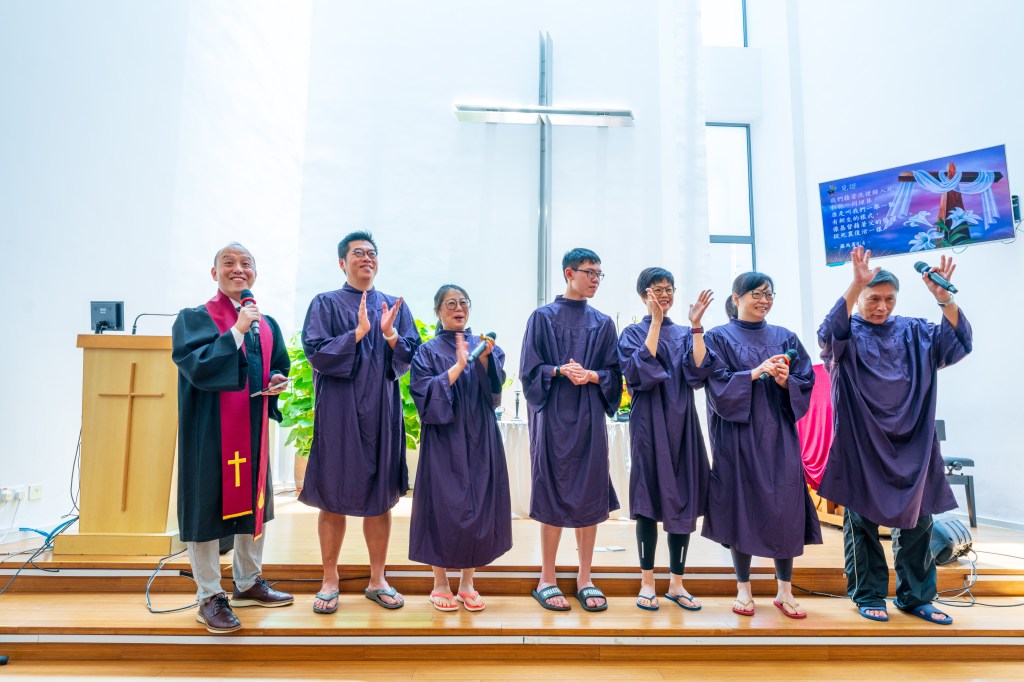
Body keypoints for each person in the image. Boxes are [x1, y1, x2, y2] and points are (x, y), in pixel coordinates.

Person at [818, 246, 972, 625]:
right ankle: (869, 593)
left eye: (889, 299)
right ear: (860, 298)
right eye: (873, 298)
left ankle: (916, 596)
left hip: (912, 443)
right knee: (862, 524)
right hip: (862, 442)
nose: (881, 306)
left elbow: (958, 342)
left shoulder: (915, 331)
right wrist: (855, 284)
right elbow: (828, 333)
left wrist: (944, 299)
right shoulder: (848, 333)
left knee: (918, 522)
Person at [172, 242, 293, 634]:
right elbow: (197, 366)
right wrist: (237, 331)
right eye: (229, 263)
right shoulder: (194, 318)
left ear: (255, 273)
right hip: (209, 432)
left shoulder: (267, 323)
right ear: (215, 273)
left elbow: (276, 366)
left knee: (253, 505)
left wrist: (276, 380)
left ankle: (247, 581)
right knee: (205, 508)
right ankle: (209, 595)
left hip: (252, 429)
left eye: (246, 263)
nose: (238, 269)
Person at [299, 231, 421, 614]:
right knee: (332, 496)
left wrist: (390, 334)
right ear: (342, 262)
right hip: (339, 411)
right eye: (358, 253)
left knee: (380, 499)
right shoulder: (325, 303)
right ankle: (329, 579)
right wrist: (357, 333)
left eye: (371, 253)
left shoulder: (394, 305)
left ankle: (377, 579)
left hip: (382, 410)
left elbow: (412, 356)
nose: (366, 259)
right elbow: (315, 351)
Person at [702, 272, 822, 619]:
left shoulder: (785, 337)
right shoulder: (717, 337)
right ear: (736, 298)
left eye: (769, 294)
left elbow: (805, 382)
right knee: (741, 506)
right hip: (737, 436)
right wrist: (755, 373)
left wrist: (785, 382)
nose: (764, 300)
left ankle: (785, 591)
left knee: (784, 507)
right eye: (756, 294)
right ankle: (744, 588)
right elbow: (716, 386)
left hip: (779, 435)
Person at [520, 248, 622, 612]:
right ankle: (546, 577)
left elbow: (615, 374)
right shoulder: (542, 318)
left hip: (590, 417)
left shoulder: (603, 323)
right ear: (569, 273)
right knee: (552, 490)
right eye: (589, 272)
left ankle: (584, 578)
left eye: (599, 274)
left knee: (590, 493)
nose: (595, 279)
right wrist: (558, 370)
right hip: (552, 418)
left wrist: (592, 375)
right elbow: (529, 371)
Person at [408, 285, 513, 612]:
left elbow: (494, 395)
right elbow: (423, 395)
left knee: (478, 505)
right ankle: (440, 582)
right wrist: (456, 367)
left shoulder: (486, 346)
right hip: (444, 437)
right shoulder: (426, 352)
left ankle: (467, 582)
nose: (458, 308)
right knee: (442, 505)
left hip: (481, 435)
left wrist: (483, 360)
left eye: (463, 303)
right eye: (451, 304)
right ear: (438, 312)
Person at [617, 268, 714, 611]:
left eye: (669, 289)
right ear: (643, 295)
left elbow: (699, 372)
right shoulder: (631, 333)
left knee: (683, 500)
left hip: (683, 422)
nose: (664, 295)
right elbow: (637, 373)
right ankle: (647, 583)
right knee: (647, 499)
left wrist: (697, 326)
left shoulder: (686, 333)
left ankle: (676, 583)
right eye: (657, 290)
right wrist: (655, 323)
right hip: (649, 424)